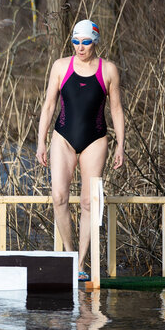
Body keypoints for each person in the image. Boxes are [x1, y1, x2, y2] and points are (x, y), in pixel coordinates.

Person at [36, 19, 124, 281]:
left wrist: (121, 144)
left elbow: (117, 109)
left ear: (95, 41)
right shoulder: (61, 66)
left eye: (85, 42)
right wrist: (41, 140)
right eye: (75, 41)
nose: (80, 47)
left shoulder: (108, 70)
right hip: (63, 138)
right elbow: (49, 105)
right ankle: (69, 255)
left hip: (95, 140)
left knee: (89, 202)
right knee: (59, 196)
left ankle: (81, 264)